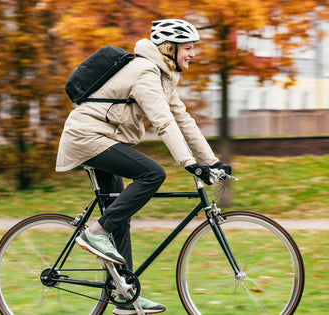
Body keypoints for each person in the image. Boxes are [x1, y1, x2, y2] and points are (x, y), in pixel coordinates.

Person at [55, 19, 232, 315]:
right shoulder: (145, 72)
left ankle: (126, 297)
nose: (193, 54)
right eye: (188, 48)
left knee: (119, 214)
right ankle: (95, 233)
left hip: (103, 139)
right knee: (153, 174)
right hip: (88, 138)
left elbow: (183, 121)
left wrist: (212, 161)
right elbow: (163, 124)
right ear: (169, 48)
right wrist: (189, 164)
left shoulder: (163, 78)